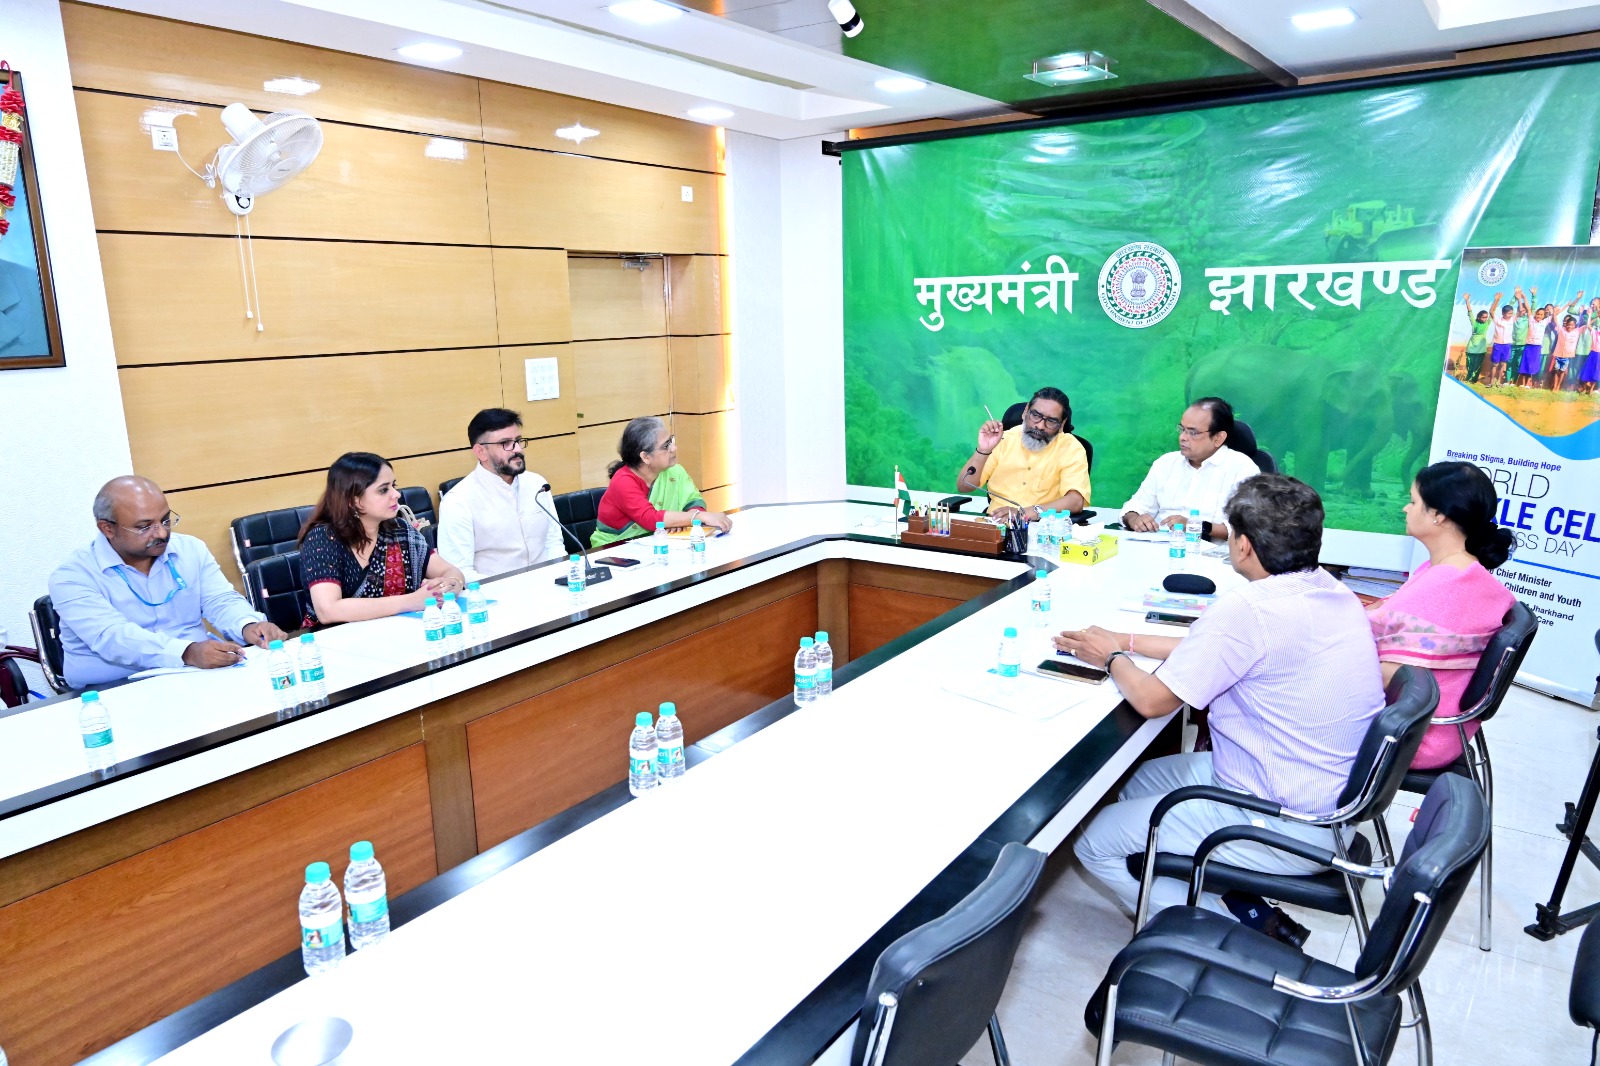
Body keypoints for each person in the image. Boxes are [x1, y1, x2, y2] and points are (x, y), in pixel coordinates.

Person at [1060, 474, 1385, 921]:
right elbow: (1216, 649)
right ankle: (1226, 896)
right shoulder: (1331, 589)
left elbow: (1153, 701)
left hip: (1285, 822)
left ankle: (1227, 928)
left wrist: (1111, 657)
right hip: (1321, 794)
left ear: (1243, 545)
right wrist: (1126, 640)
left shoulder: (1248, 608)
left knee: (1093, 843)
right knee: (1134, 781)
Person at [49, 476, 286, 687]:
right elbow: (112, 638)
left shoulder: (190, 549)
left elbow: (220, 600)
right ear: (107, 529)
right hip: (113, 687)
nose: (161, 533)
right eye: (144, 527)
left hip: (194, 676)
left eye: (165, 521)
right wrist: (187, 652)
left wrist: (248, 625)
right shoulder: (72, 576)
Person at [1366, 462, 1516, 770]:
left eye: (1413, 501)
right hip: (1427, 723)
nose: (1406, 508)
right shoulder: (1459, 572)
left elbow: (1386, 671)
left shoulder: (1448, 587)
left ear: (1438, 515)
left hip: (1411, 735)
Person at [298, 452, 465, 626]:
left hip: (400, 629)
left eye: (394, 485)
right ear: (354, 500)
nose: (396, 494)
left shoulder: (400, 530)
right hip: (335, 637)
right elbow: (328, 610)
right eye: (384, 490)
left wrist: (451, 584)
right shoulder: (323, 538)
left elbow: (449, 571)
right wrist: (413, 601)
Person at [436, 408, 565, 580]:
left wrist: (560, 575)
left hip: (549, 583)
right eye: (506, 443)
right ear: (481, 452)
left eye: (518, 441)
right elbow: (459, 571)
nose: (518, 449)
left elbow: (553, 542)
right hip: (494, 592)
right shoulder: (458, 501)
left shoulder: (537, 484)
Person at [1119, 397, 1258, 540]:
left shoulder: (1242, 469)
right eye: (1182, 429)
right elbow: (1135, 507)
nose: (1182, 437)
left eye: (1193, 432)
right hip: (1160, 546)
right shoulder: (1166, 463)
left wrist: (1195, 525)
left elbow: (1246, 528)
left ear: (1218, 438)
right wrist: (1134, 519)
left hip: (1211, 551)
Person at [590, 417, 733, 548]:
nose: (674, 448)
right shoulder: (623, 481)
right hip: (616, 549)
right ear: (645, 457)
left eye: (671, 441)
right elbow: (650, 518)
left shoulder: (674, 471)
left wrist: (684, 520)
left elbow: (692, 501)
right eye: (666, 446)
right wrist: (696, 517)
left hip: (663, 542)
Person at [955, 386, 1090, 523]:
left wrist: (1027, 513)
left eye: (1051, 421)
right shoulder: (1003, 439)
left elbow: (1075, 501)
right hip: (996, 522)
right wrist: (983, 450)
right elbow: (964, 486)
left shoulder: (1071, 448)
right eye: (1036, 415)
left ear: (1061, 425)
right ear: (1025, 412)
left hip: (1043, 527)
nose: (1040, 426)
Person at [1461, 291, 1498, 384]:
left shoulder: (1487, 324)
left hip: (1481, 349)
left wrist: (1496, 300)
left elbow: (1492, 311)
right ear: (1478, 317)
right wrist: (1467, 300)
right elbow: (1470, 312)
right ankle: (1468, 378)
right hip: (1471, 348)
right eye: (1483, 317)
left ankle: (1474, 380)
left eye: (1486, 317)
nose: (1485, 319)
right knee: (1470, 365)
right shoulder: (1474, 323)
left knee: (1477, 366)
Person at [1487, 295, 1517, 386]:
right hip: (1498, 345)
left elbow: (1520, 312)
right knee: (1495, 364)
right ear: (1503, 313)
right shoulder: (1498, 320)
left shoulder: (1512, 320)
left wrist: (1519, 298)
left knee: (1502, 364)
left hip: (1507, 345)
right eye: (1508, 313)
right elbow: (1491, 311)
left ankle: (1499, 382)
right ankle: (1491, 382)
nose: (1510, 315)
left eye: (1511, 313)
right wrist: (1497, 300)